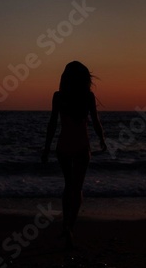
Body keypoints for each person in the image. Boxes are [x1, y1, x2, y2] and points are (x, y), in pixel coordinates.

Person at [42, 61, 106, 248]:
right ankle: (70, 226)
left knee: (68, 185)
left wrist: (46, 148)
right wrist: (102, 139)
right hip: (81, 147)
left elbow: (52, 124)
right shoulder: (88, 96)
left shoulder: (58, 96)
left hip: (63, 146)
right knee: (77, 189)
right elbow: (95, 121)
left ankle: (65, 225)